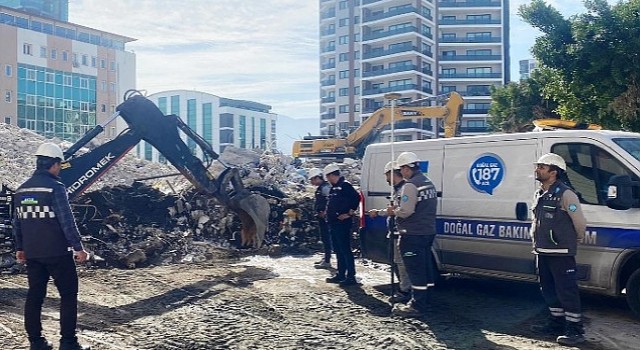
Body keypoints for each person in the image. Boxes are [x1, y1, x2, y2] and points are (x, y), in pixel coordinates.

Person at [13, 143, 91, 350]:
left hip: (33, 253)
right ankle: (68, 343)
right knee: (68, 295)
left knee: (35, 296)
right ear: (55, 164)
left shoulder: (22, 190)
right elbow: (66, 221)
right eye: (59, 165)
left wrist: (20, 247)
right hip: (57, 253)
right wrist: (78, 248)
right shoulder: (55, 188)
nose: (59, 169)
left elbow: (17, 223)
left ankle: (36, 343)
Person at [530, 153, 587, 346]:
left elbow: (578, 221)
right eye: (537, 166)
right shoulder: (540, 193)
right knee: (549, 290)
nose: (537, 169)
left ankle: (575, 330)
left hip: (561, 253)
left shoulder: (566, 194)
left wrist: (575, 239)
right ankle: (556, 323)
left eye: (542, 167)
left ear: (553, 172)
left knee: (567, 291)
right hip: (542, 251)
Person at [388, 152, 438, 317]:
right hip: (427, 232)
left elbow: (406, 211)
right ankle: (427, 299)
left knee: (415, 270)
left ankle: (417, 305)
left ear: (406, 168)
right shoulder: (428, 182)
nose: (401, 173)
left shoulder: (410, 185)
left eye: (401, 169)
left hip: (412, 234)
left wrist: (393, 210)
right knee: (425, 269)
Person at [368, 161, 411, 303]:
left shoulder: (404, 189)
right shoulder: (398, 189)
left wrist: (381, 212)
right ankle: (403, 288)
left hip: (401, 231)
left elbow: (399, 211)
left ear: (392, 174)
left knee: (401, 263)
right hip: (395, 230)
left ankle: (405, 290)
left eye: (387, 176)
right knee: (397, 262)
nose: (386, 180)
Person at [323, 163, 360, 287]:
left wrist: (349, 213)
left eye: (328, 177)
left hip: (342, 223)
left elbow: (356, 198)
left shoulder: (345, 186)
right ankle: (341, 273)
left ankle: (351, 276)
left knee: (345, 249)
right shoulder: (335, 187)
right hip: (334, 223)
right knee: (338, 250)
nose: (328, 180)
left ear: (333, 175)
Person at [308, 168, 332, 268]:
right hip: (322, 217)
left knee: (326, 238)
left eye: (312, 180)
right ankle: (326, 257)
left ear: (317, 177)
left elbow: (330, 200)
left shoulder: (325, 188)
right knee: (324, 238)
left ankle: (327, 260)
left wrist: (325, 212)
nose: (312, 182)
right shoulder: (321, 187)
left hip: (326, 218)